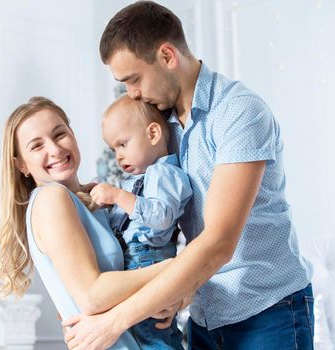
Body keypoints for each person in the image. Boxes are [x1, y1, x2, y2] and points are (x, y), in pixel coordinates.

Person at [63, 2, 315, 349]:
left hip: (267, 311)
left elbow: (218, 244)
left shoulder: (238, 112)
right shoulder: (161, 127)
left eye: (133, 79)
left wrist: (115, 321)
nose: (131, 94)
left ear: (167, 56)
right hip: (205, 315)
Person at [0, 96, 187, 350]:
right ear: (21, 165)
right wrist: (177, 270)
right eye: (36, 146)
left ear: (72, 134)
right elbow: (92, 296)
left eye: (59, 134)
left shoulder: (95, 201)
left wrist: (165, 298)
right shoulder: (52, 198)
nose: (54, 150)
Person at [90, 94, 192, 349]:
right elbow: (122, 222)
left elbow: (161, 216)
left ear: (154, 134)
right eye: (114, 149)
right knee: (139, 335)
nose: (118, 156)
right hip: (134, 261)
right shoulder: (141, 178)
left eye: (123, 144)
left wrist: (117, 196)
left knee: (153, 335)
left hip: (148, 259)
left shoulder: (164, 172)